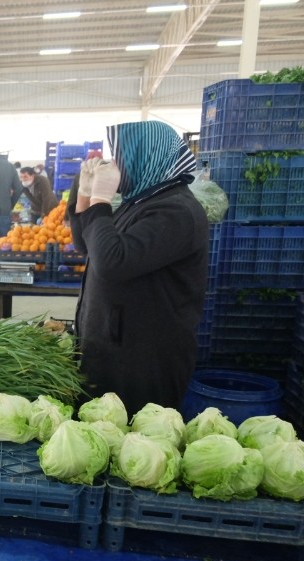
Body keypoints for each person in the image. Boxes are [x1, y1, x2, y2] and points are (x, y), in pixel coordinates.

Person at [70, 120, 207, 416]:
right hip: (113, 348)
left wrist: (102, 200)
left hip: (142, 360)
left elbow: (112, 262)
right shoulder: (140, 201)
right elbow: (85, 244)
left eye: (123, 158)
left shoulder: (176, 211)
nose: (118, 166)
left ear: (147, 156)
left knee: (131, 439)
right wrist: (85, 194)